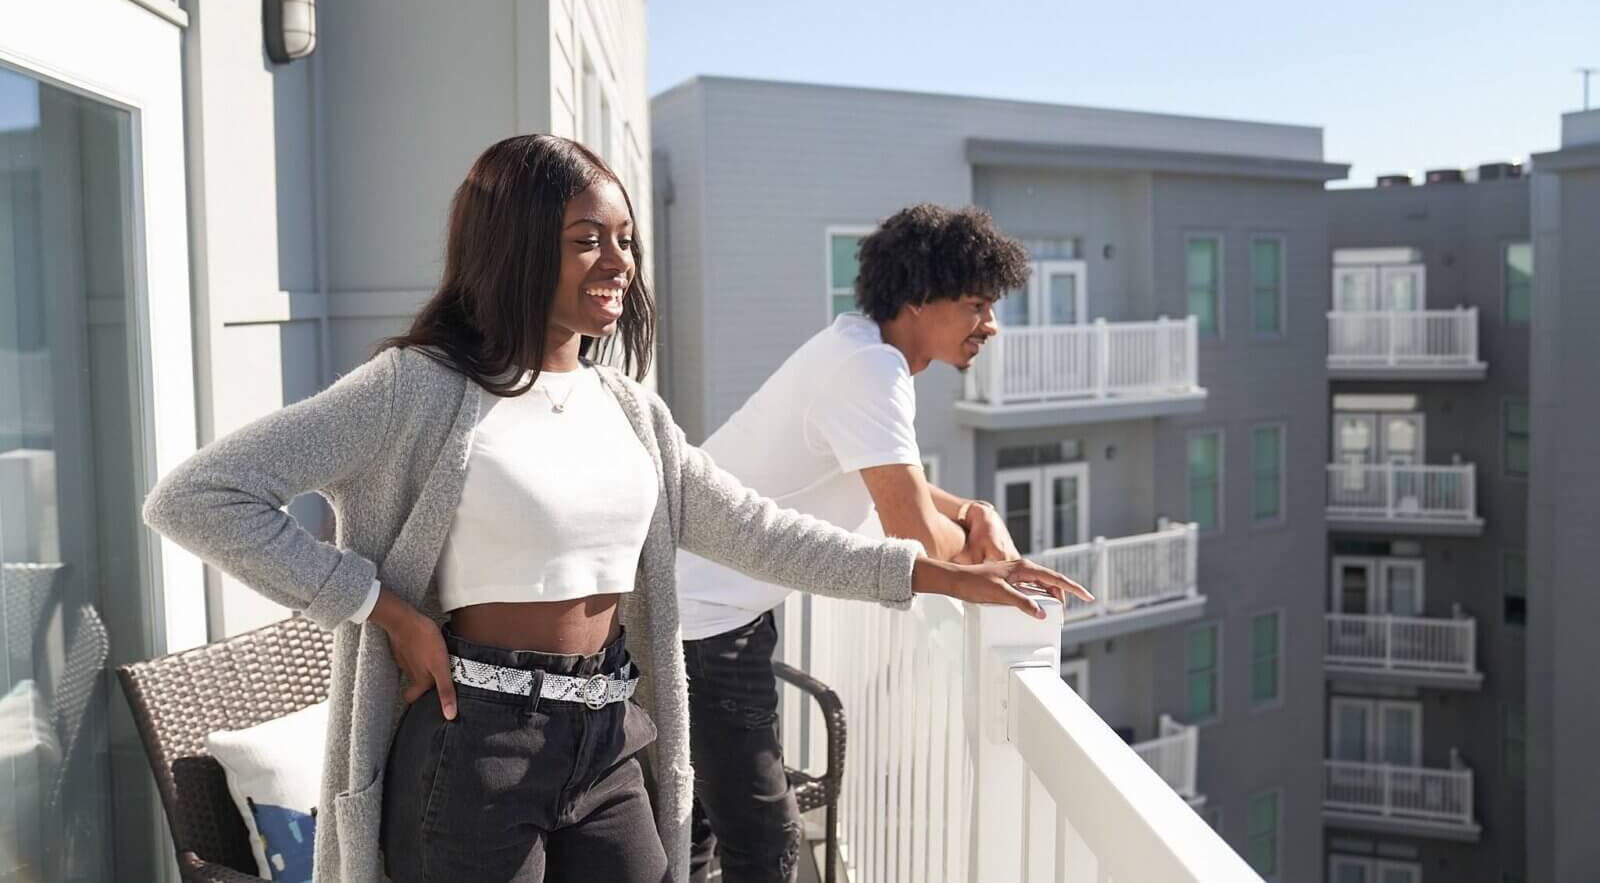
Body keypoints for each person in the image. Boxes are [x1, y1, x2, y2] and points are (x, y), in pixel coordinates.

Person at [141, 136, 1082, 883]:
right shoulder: (417, 390)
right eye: (587, 237)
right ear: (512, 246)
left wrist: (930, 570)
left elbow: (750, 527)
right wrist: (381, 609)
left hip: (608, 734)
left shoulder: (626, 404)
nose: (618, 260)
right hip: (477, 738)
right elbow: (199, 498)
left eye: (624, 238)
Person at [678, 203, 1090, 883]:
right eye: (976, 304)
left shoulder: (855, 348)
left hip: (707, 604)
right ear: (919, 298)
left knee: (697, 822)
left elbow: (895, 486)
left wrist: (974, 510)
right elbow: (915, 535)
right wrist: (976, 541)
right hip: (708, 620)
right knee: (762, 839)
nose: (990, 324)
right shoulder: (870, 371)